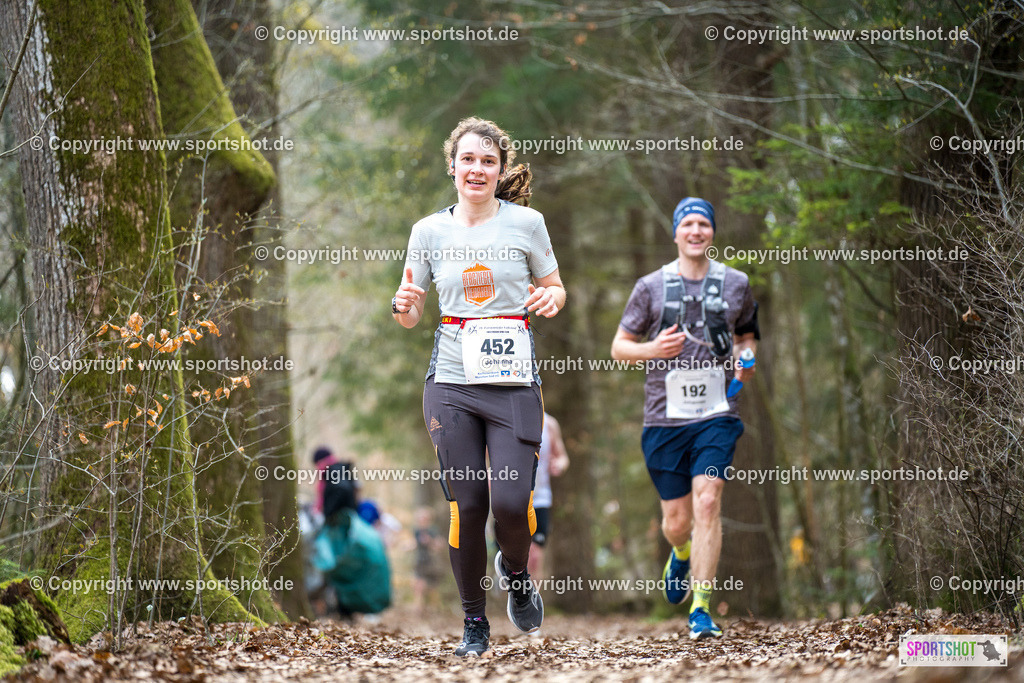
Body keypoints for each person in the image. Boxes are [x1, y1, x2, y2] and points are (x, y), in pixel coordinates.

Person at [392, 116, 566, 657]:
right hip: (451, 381)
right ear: (452, 166)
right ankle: (473, 622)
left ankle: (515, 575)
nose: (477, 169)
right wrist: (407, 306)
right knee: (467, 504)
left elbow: (555, 288)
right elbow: (408, 308)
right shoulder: (427, 231)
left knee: (512, 503)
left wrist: (550, 300)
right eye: (468, 159)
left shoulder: (527, 224)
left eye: (488, 161)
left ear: (501, 170)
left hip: (513, 383)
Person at [610, 197, 759, 640]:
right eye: (688, 224)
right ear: (675, 233)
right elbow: (620, 347)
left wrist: (745, 359)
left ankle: (700, 609)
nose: (696, 231)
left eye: (704, 224)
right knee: (676, 522)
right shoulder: (650, 287)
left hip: (716, 414)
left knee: (708, 501)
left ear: (712, 233)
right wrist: (652, 349)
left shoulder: (736, 283)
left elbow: (746, 335)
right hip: (664, 421)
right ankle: (680, 551)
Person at [528, 412, 569, 579]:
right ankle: (511, 601)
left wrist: (559, 464)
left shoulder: (549, 423)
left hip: (540, 498)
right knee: (512, 557)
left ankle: (533, 603)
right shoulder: (502, 414)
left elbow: (563, 457)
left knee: (535, 556)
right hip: (511, 497)